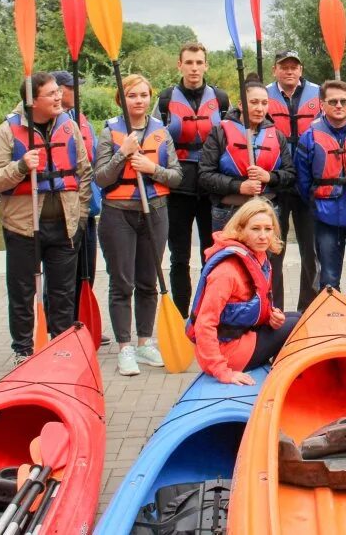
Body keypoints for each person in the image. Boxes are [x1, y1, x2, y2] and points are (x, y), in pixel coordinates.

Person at [0, 72, 92, 365]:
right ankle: (23, 349)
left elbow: (84, 173)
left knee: (62, 293)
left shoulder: (68, 126)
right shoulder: (8, 131)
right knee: (22, 292)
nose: (59, 97)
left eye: (59, 92)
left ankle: (61, 345)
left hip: (66, 227)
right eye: (52, 93)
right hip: (23, 227)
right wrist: (20, 166)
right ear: (33, 100)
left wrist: (80, 215)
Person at [95, 73, 185, 376]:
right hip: (117, 213)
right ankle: (124, 347)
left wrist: (152, 168)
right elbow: (101, 178)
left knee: (149, 280)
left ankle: (145, 341)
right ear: (123, 99)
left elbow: (176, 176)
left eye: (144, 95)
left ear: (150, 98)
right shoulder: (109, 132)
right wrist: (122, 153)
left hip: (155, 211)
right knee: (122, 282)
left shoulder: (162, 132)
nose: (139, 100)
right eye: (132, 95)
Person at [198, 79, 296, 306]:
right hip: (229, 212)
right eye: (254, 102)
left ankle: (270, 315)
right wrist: (238, 186)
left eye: (264, 103)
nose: (260, 108)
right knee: (229, 269)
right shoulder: (220, 132)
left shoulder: (276, 135)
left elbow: (290, 174)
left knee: (268, 269)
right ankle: (227, 321)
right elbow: (205, 175)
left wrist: (269, 177)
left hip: (266, 210)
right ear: (241, 104)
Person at [187, 198, 300, 385]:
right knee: (295, 326)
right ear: (240, 230)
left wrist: (270, 316)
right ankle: (280, 381)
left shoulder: (259, 257)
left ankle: (277, 373)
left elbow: (253, 305)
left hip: (243, 337)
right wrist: (223, 372)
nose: (263, 236)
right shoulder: (226, 271)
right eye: (255, 229)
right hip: (227, 354)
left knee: (295, 317)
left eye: (268, 229)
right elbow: (204, 324)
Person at [155, 42, 229, 314]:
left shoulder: (220, 99)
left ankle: (207, 311)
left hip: (211, 186)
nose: (194, 68)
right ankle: (181, 312)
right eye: (189, 62)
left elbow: (231, 139)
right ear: (180, 65)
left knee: (211, 253)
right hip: (178, 187)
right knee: (179, 257)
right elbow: (154, 140)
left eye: (199, 62)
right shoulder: (165, 100)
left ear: (206, 65)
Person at [294, 80, 346, 310]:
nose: (339, 105)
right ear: (323, 104)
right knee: (329, 280)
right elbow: (302, 180)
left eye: (344, 101)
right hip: (326, 215)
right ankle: (335, 327)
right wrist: (316, 202)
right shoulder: (309, 136)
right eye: (333, 102)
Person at [266, 50, 321, 311]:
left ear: (301, 70)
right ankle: (274, 308)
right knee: (273, 248)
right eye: (284, 67)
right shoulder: (263, 96)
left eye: (294, 67)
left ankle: (306, 308)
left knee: (310, 249)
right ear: (275, 70)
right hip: (276, 181)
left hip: (308, 180)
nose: (289, 71)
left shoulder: (319, 94)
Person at [55, 70, 103, 342]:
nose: (78, 91)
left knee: (87, 268)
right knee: (62, 275)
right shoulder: (52, 122)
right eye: (72, 87)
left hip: (89, 208)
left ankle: (82, 321)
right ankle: (60, 326)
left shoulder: (82, 120)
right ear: (59, 90)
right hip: (65, 209)